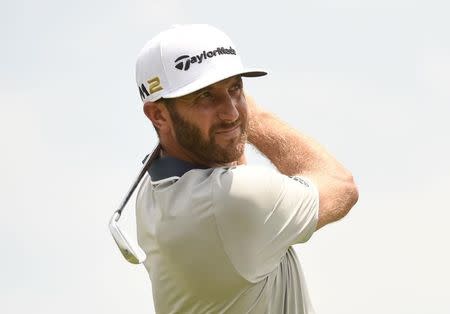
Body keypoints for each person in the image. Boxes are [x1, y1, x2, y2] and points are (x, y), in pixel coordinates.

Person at [134, 24, 358, 314]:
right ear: (158, 114)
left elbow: (230, 164)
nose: (231, 112)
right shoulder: (232, 202)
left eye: (235, 88)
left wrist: (228, 120)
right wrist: (255, 117)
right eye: (205, 96)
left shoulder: (151, 194)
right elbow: (340, 185)